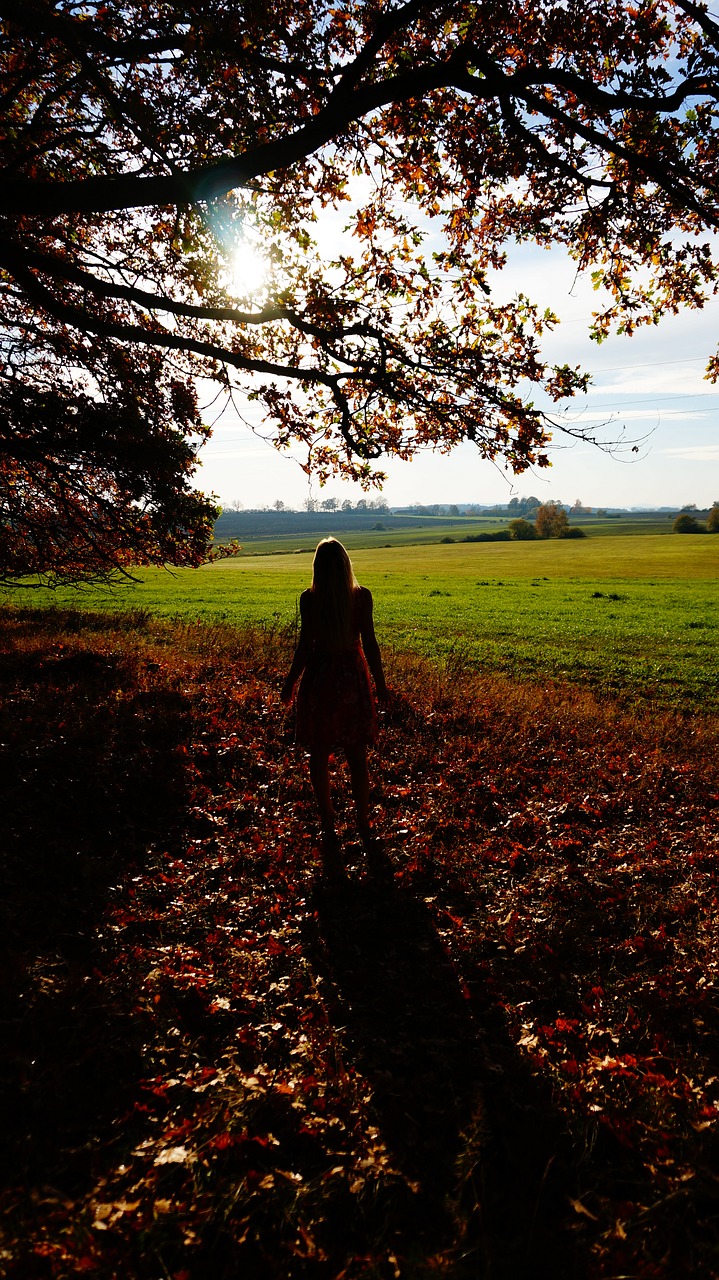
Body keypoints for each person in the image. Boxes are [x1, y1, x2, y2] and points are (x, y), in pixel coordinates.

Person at [280, 538, 387, 854]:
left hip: (320, 678)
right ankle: (363, 820)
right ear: (345, 565)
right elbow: (370, 643)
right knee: (356, 755)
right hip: (352, 678)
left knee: (319, 751)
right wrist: (380, 685)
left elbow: (304, 647)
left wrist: (290, 683)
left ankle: (328, 820)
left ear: (316, 568)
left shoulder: (309, 599)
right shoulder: (361, 598)